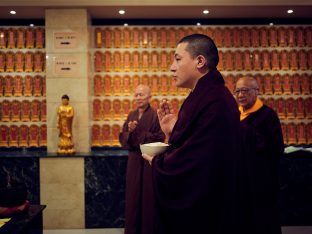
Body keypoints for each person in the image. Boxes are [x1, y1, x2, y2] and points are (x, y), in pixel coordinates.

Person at [142, 34, 241, 234]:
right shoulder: (200, 96)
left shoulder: (216, 102)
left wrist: (158, 163)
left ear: (200, 61)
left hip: (209, 213)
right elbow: (193, 144)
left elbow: (199, 162)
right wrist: (171, 132)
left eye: (178, 59)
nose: (172, 67)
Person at [234, 77, 284, 234]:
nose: (241, 95)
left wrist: (246, 133)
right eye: (237, 91)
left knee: (264, 222)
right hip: (240, 180)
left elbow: (276, 148)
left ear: (256, 92)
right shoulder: (236, 115)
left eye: (245, 90)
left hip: (262, 181)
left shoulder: (268, 116)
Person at [119, 85, 165, 234]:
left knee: (147, 197)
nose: (138, 97)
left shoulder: (154, 115)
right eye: (136, 95)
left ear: (149, 97)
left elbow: (159, 137)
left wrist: (138, 131)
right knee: (133, 196)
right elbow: (123, 137)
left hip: (148, 161)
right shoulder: (131, 115)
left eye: (142, 95)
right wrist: (130, 132)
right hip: (134, 160)